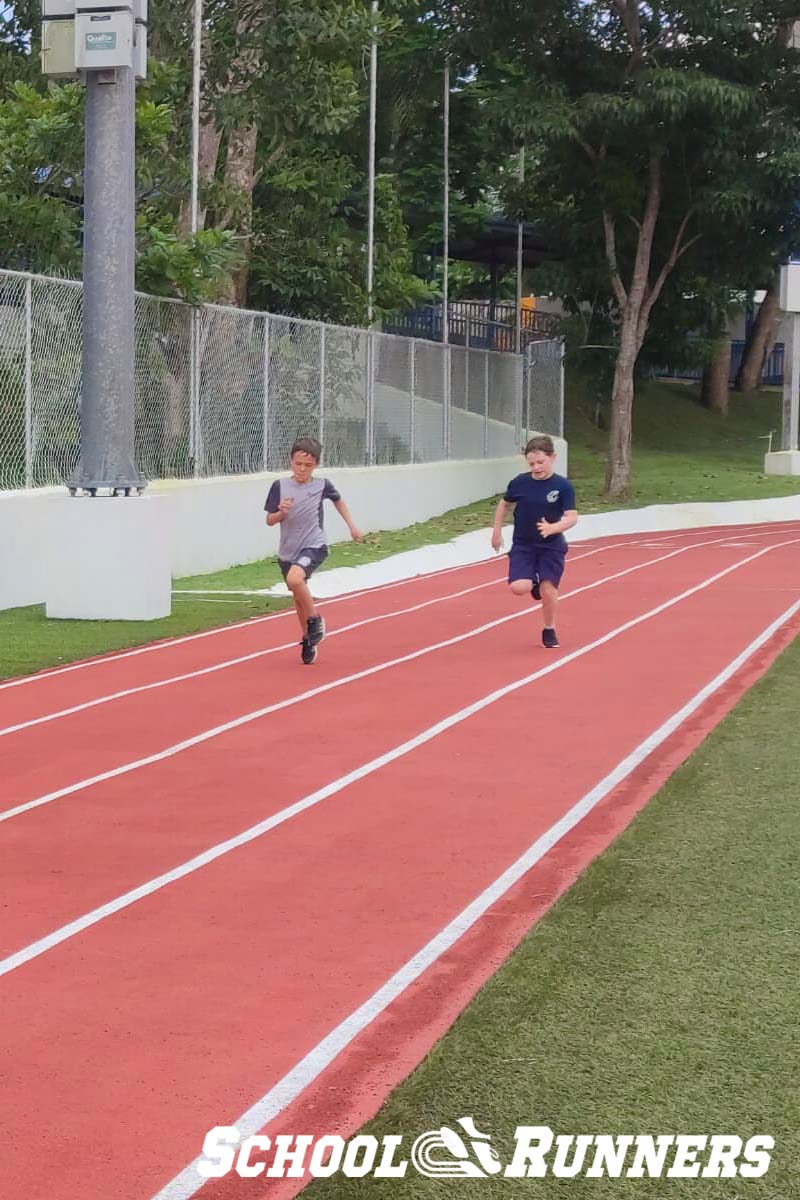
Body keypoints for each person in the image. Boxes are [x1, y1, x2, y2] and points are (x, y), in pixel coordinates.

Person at [265, 437, 362, 664]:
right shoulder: (280, 487)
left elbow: (338, 501)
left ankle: (315, 620)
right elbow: (270, 520)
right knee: (298, 596)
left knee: (295, 579)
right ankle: (309, 639)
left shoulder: (321, 485)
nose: (302, 469)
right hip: (288, 550)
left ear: (316, 465)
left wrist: (352, 526)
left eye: (308, 466)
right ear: (291, 462)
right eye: (298, 464)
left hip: (314, 544)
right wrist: (281, 512)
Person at [490, 435, 577, 648]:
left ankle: (549, 629)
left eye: (541, 462)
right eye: (531, 464)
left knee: (549, 589)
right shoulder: (520, 482)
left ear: (552, 458)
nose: (536, 467)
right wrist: (496, 531)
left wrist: (553, 528)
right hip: (523, 544)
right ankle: (533, 582)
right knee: (519, 587)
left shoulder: (563, 486)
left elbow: (572, 517)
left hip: (552, 546)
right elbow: (505, 505)